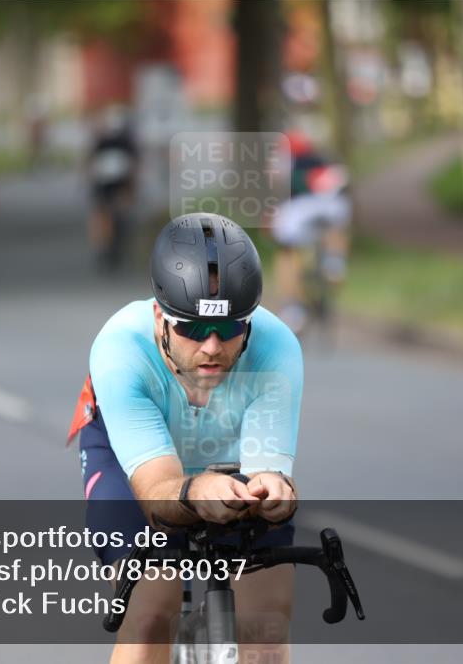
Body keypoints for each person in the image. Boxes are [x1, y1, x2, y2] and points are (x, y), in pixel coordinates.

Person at [67, 213, 304, 663]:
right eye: (192, 328)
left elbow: (268, 469)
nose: (212, 345)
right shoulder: (120, 348)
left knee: (267, 630)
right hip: (134, 465)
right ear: (160, 315)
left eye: (230, 327)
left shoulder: (278, 347)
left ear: (249, 322)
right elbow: (157, 492)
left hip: (228, 463)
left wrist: (274, 492)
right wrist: (196, 491)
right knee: (152, 612)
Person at [270, 131, 351, 334]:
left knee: (286, 251)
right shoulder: (325, 162)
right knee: (337, 222)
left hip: (298, 212)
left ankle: (294, 306)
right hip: (330, 207)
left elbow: (276, 189)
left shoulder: (281, 161)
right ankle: (335, 262)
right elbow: (341, 186)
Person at [86, 105, 138, 270]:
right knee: (104, 215)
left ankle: (105, 245)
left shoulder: (105, 141)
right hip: (109, 184)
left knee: (106, 214)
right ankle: (104, 246)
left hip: (112, 184)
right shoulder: (120, 141)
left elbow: (90, 164)